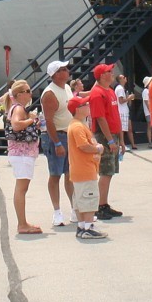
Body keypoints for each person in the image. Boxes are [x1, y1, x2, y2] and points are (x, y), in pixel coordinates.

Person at [64, 94, 106, 240]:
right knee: (89, 199)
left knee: (80, 200)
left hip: (81, 170)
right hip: (84, 170)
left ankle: (82, 226)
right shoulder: (77, 126)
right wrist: (98, 148)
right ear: (78, 109)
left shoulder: (78, 124)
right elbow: (83, 146)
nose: (88, 106)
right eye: (84, 105)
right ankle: (88, 228)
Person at [3, 80, 43, 235]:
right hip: (22, 154)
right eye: (27, 91)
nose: (30, 93)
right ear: (19, 94)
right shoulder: (19, 108)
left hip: (22, 154)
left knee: (22, 188)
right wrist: (31, 120)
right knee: (21, 189)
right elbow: (16, 125)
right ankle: (22, 224)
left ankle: (23, 222)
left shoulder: (18, 108)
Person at [39, 61, 76, 227]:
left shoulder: (66, 88)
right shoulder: (50, 94)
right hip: (57, 136)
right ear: (55, 75)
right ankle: (57, 212)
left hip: (69, 135)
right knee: (55, 174)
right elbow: (49, 121)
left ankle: (75, 209)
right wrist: (57, 143)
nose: (67, 71)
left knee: (71, 174)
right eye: (63, 69)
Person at [88, 64, 124, 218]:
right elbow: (100, 118)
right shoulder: (97, 93)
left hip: (113, 134)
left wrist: (121, 139)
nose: (113, 73)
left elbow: (116, 116)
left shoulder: (110, 92)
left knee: (109, 172)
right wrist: (110, 141)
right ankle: (99, 205)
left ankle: (104, 203)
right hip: (105, 136)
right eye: (109, 71)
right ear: (102, 75)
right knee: (105, 171)